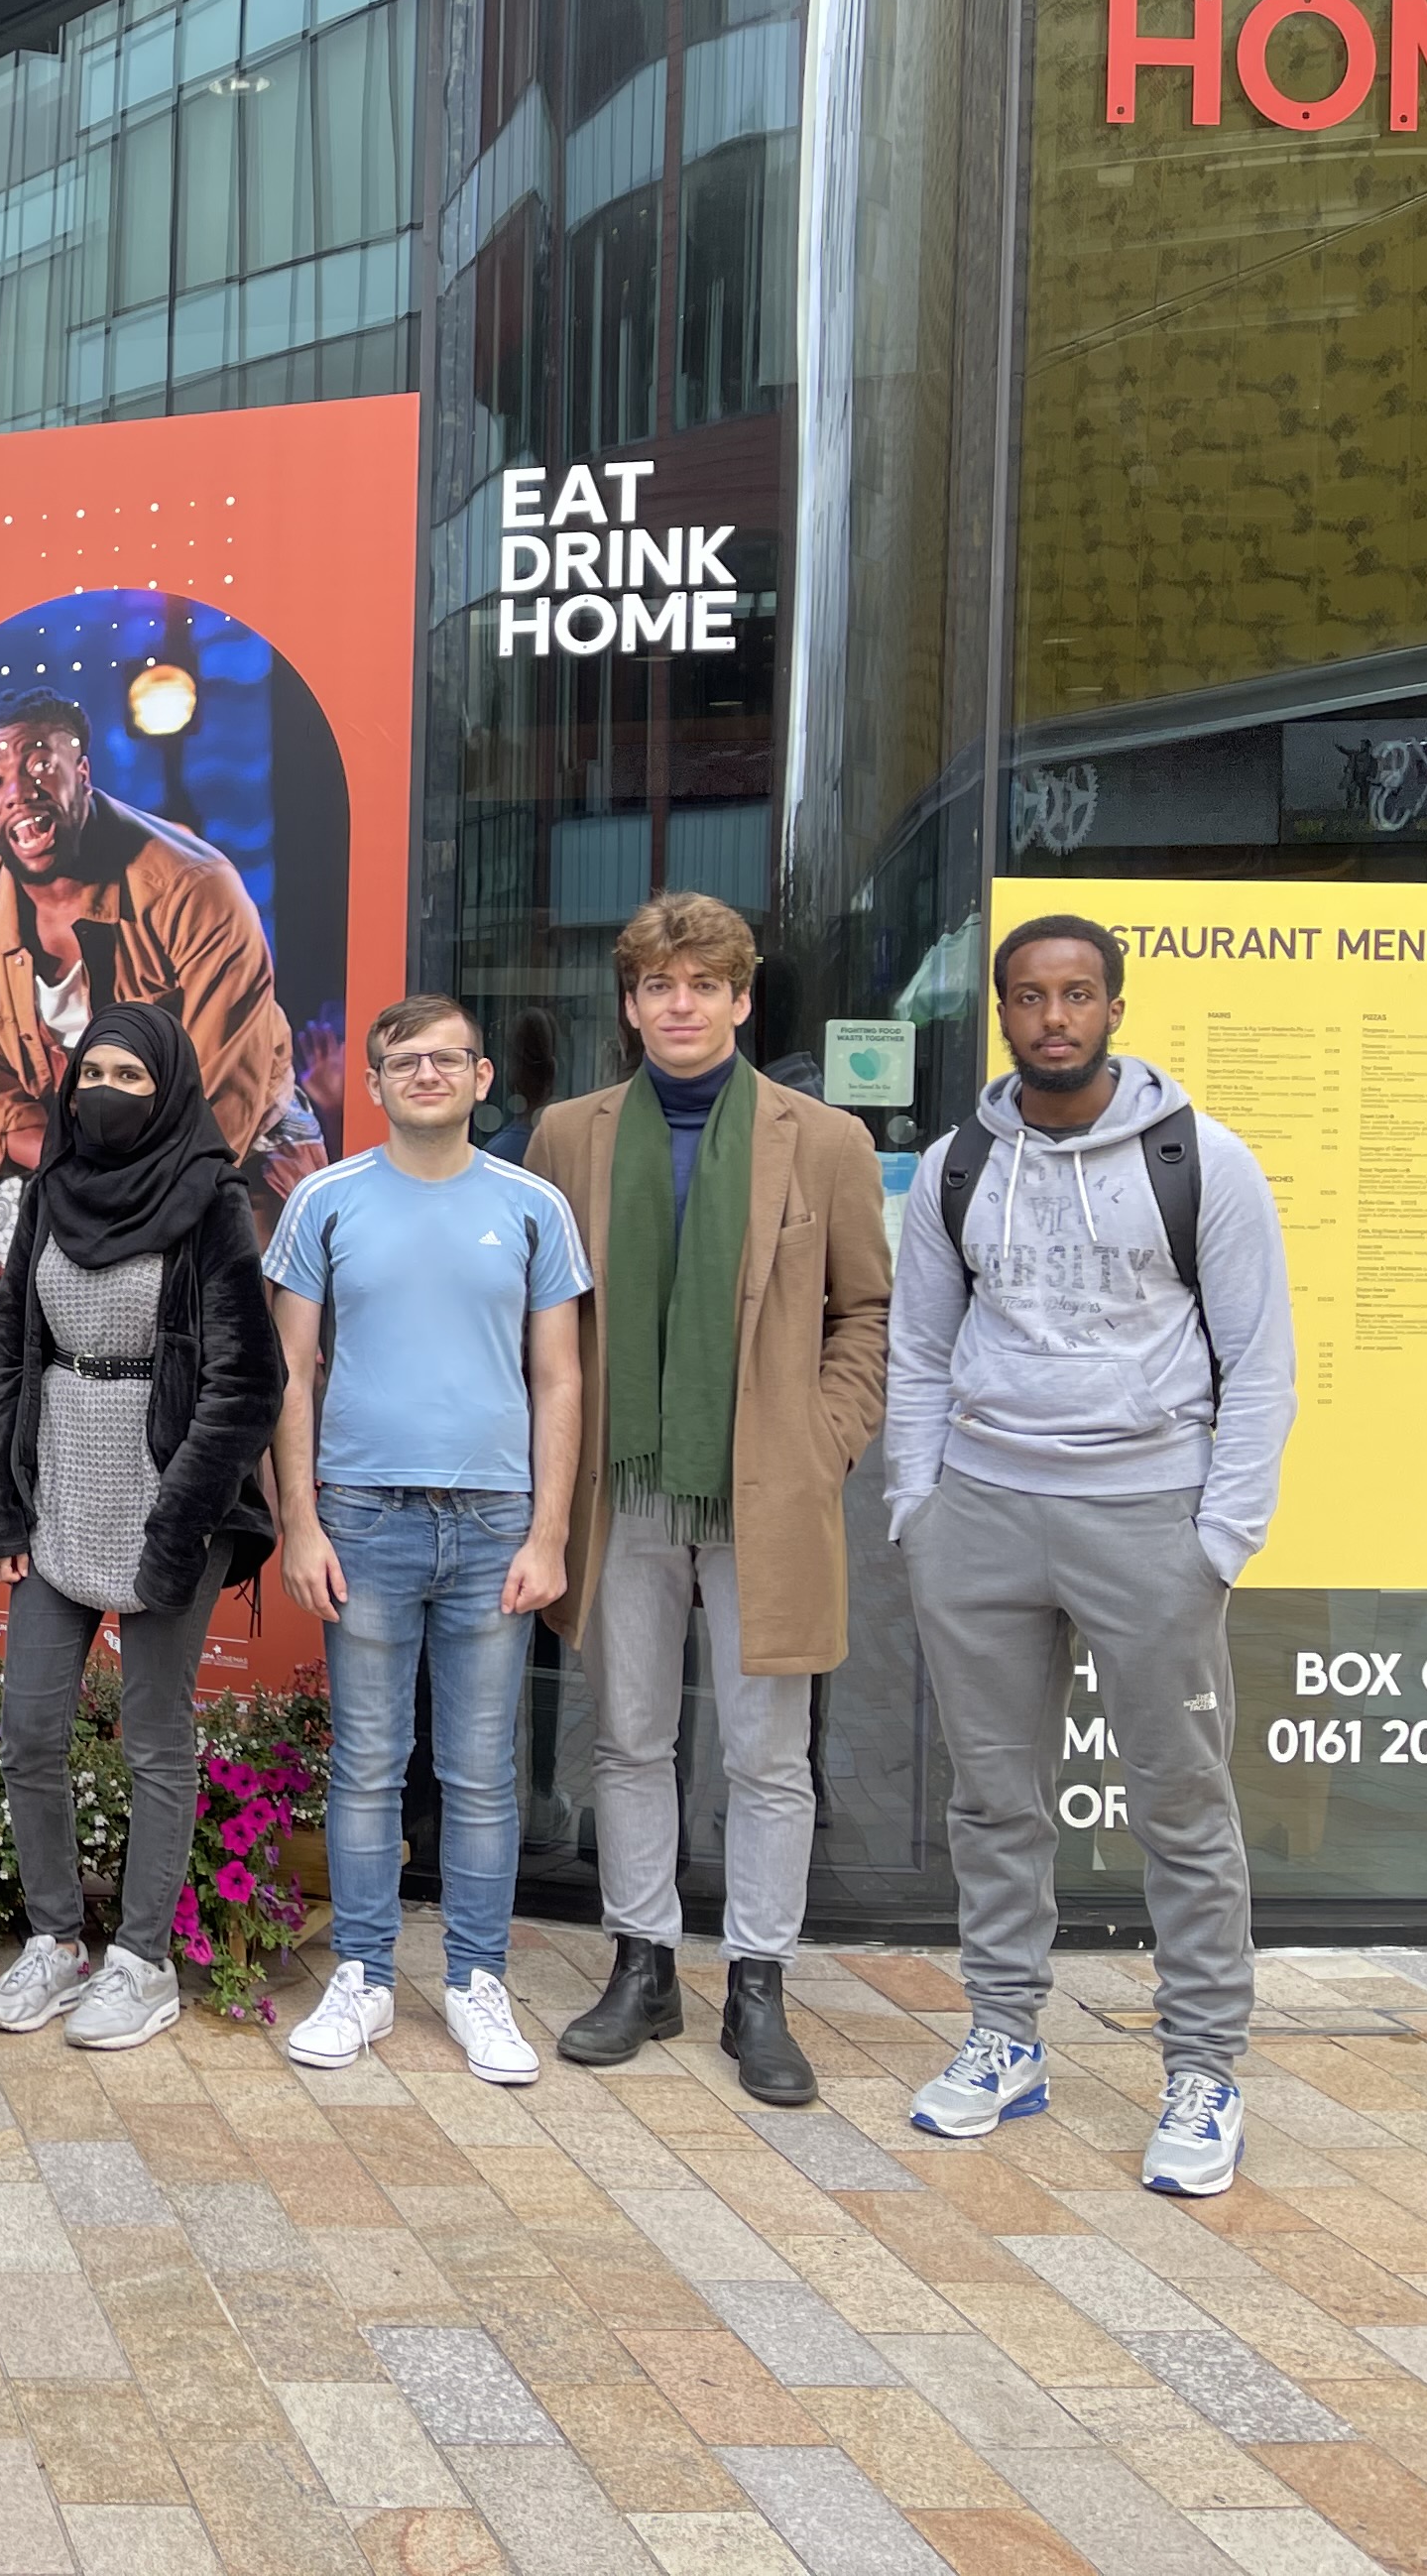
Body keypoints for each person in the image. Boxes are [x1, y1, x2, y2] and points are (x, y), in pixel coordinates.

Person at [887, 913, 1293, 2200]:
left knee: (1180, 1804)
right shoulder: (960, 1165)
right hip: (984, 1515)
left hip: (1147, 1520)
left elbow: (1263, 1364)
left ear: (1114, 1008)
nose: (1052, 1017)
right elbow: (920, 1355)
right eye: (1028, 997)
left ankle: (1205, 2068)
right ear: (1000, 1013)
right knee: (996, 1803)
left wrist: (1215, 1544)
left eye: (1076, 995)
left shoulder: (1200, 1162)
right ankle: (1006, 2037)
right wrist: (919, 1507)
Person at [528, 894, 892, 2110]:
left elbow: (867, 1315)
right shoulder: (567, 1137)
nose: (679, 1005)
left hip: (766, 1494)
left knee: (765, 1752)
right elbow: (540, 1319)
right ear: (630, 1009)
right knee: (629, 1736)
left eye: (703, 985)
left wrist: (821, 1440)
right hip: (621, 1486)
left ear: (742, 1000)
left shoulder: (823, 1140)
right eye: (656, 987)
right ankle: (643, 1965)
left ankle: (757, 1983)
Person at [265, 997, 587, 2086]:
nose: (428, 1075)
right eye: (405, 1061)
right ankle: (360, 1978)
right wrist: (299, 1522)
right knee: (365, 1768)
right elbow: (291, 1373)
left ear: (484, 1074)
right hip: (363, 1517)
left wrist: (549, 1534)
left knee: (482, 1773)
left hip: (497, 1525)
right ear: (375, 1081)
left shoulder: (535, 1207)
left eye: (447, 1058)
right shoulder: (325, 1201)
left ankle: (475, 1982)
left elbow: (560, 1377)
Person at [0, 1008, 285, 2053]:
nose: (105, 1090)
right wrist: (1, 1504)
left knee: (154, 1737)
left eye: (129, 1075)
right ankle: (57, 1940)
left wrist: (177, 1526)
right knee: (30, 1729)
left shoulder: (212, 1201)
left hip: (172, 1502)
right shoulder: (50, 1194)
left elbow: (248, 1384)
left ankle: (142, 1961)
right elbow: (8, 1353)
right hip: (58, 1486)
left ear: (172, 1086)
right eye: (91, 1071)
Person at [0, 687, 318, 1227]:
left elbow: (221, 1095)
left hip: (231, 1144)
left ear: (83, 773)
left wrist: (125, 1201)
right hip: (55, 1154)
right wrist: (85, 1182)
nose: (17, 790)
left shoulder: (195, 886)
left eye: (40, 765)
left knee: (231, 1287)